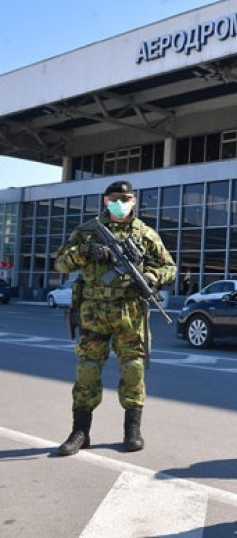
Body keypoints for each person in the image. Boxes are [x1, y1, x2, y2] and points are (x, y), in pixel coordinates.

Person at [54, 180, 176, 456]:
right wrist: (84, 252)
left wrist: (150, 277)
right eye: (115, 198)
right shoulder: (87, 232)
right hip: (93, 311)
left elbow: (169, 267)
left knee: (133, 370)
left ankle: (132, 431)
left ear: (134, 201)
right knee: (87, 370)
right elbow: (60, 262)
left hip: (129, 312)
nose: (121, 202)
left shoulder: (144, 234)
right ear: (106, 201)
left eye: (126, 198)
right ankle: (80, 432)